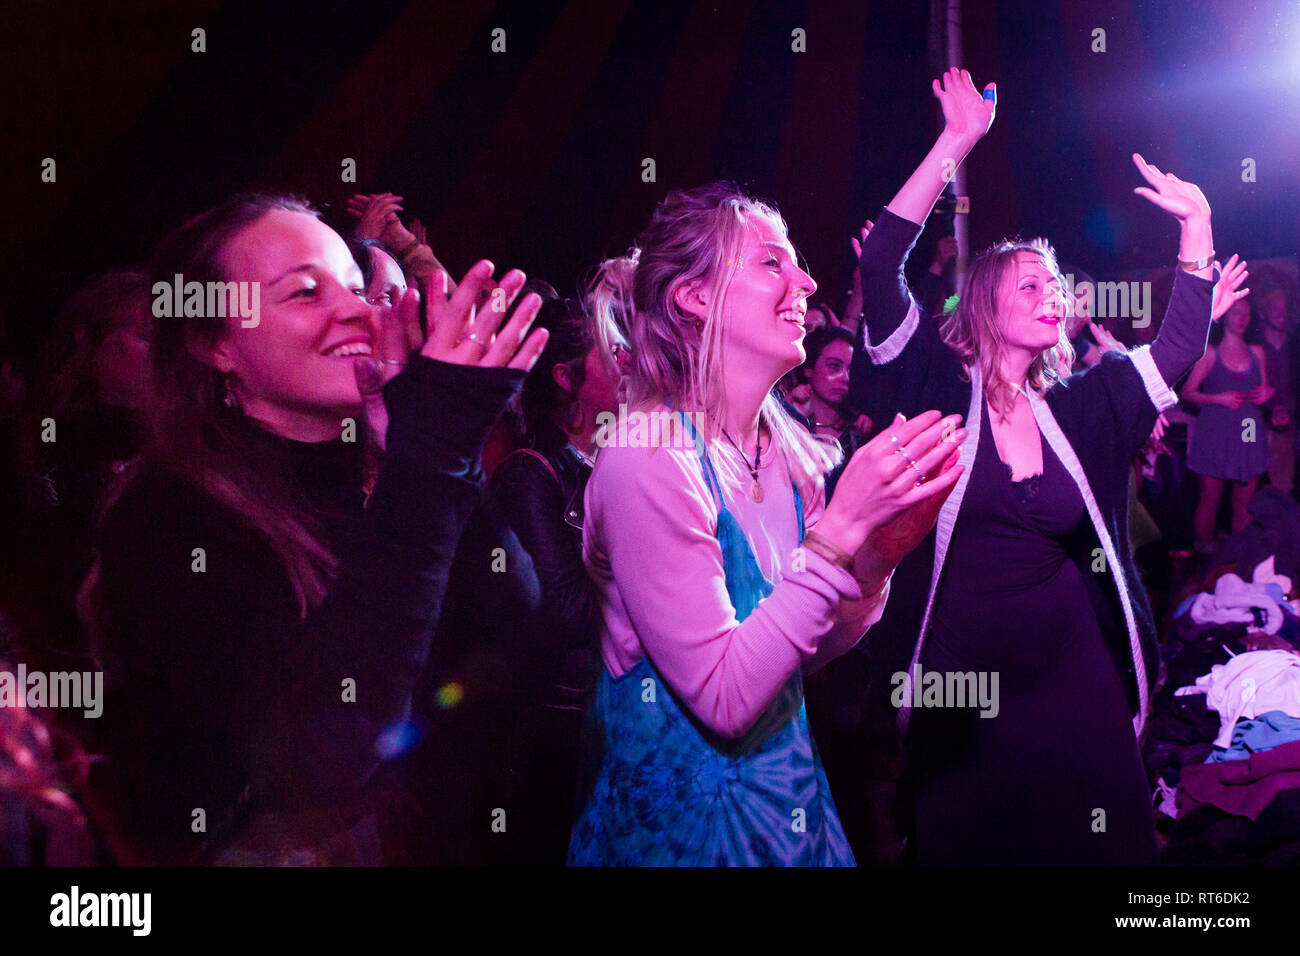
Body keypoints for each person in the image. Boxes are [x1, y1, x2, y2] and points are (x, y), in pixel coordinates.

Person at [78, 193, 547, 864]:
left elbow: (512, 625)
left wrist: (439, 454)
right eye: (304, 293)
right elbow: (315, 758)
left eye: (357, 287)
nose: (358, 309)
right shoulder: (167, 514)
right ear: (214, 344)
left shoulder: (385, 462)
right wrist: (429, 465)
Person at [858, 69, 1220, 865]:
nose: (1052, 294)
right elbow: (881, 265)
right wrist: (955, 144)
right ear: (984, 302)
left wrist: (1197, 231)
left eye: (1056, 283)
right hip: (963, 689)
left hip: (1074, 674)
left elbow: (1176, 352)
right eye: (1030, 283)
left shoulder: (1083, 408)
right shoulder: (930, 386)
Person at [568, 181, 966, 866]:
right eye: (772, 263)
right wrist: (841, 529)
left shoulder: (784, 456)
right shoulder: (648, 462)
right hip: (680, 841)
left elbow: (796, 658)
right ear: (694, 298)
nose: (806, 282)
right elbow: (725, 697)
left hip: (787, 822)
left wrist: (877, 558)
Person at [487, 285, 625, 864]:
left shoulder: (620, 462)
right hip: (559, 729)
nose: (631, 364)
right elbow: (563, 612)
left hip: (608, 715)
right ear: (567, 380)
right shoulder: (530, 474)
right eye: (613, 354)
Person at [1184, 293, 1271, 551]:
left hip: (1249, 433)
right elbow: (1188, 393)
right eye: (1236, 313)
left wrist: (1267, 393)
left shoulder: (1257, 352)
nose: (1242, 319)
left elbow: (1264, 392)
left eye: (1246, 314)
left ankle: (1235, 560)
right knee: (1210, 500)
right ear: (1224, 317)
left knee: (1244, 504)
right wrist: (1217, 398)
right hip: (1215, 433)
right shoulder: (1210, 353)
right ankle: (1203, 558)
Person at [790, 326, 871, 499]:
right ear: (808, 368)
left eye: (850, 370)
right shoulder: (787, 418)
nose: (844, 377)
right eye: (834, 366)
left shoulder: (856, 432)